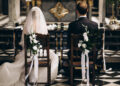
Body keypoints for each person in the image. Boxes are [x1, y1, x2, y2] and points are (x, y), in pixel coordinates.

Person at [0, 7, 59, 86]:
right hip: (43, 53)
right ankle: (46, 78)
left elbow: (23, 43)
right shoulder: (42, 27)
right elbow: (45, 45)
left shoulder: (27, 27)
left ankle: (30, 78)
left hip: (28, 53)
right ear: (40, 17)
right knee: (55, 57)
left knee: (20, 60)